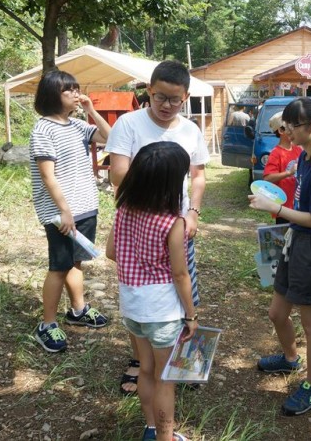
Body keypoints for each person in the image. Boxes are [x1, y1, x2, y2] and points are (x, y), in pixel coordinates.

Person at [105, 60, 209, 396]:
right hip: (140, 221)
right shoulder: (128, 124)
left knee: (183, 287)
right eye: (160, 97)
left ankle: (181, 357)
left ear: (185, 97)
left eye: (174, 99)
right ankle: (141, 360)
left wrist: (192, 212)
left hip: (178, 224)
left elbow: (198, 176)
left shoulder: (190, 130)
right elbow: (118, 174)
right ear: (148, 91)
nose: (166, 105)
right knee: (139, 292)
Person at [248, 97, 311, 416]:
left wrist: (275, 208)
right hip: (295, 240)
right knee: (277, 313)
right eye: (284, 126)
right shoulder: (304, 157)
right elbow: (300, 208)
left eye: (291, 126)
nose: (286, 131)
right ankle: (290, 359)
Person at [105, 141, 197, 441]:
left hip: (132, 305)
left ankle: (151, 428)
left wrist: (137, 261)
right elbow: (180, 274)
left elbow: (111, 252)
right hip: (162, 311)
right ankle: (165, 437)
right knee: (164, 379)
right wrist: (191, 315)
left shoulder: (124, 209)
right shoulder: (173, 223)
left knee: (145, 369)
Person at [28, 70, 111, 353]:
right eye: (70, 90)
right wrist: (64, 211)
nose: (77, 94)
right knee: (59, 266)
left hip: (85, 205)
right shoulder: (43, 129)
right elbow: (47, 176)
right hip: (60, 212)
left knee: (75, 262)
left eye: (77, 89)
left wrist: (91, 111)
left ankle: (78, 310)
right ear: (53, 95)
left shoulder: (77, 125)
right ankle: (47, 324)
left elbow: (110, 138)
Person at [263, 111, 302, 225]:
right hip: (283, 207)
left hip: (298, 204)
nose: (293, 130)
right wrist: (289, 172)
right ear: (281, 130)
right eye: (289, 127)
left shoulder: (298, 149)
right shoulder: (276, 153)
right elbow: (267, 178)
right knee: (285, 234)